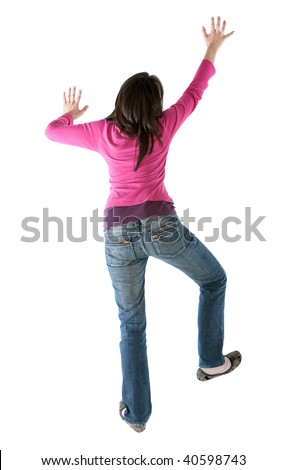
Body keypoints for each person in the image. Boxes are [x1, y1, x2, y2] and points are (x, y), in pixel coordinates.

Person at [45, 17, 241, 433]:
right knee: (215, 280)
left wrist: (67, 116)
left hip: (116, 235)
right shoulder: (164, 126)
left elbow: (51, 133)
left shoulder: (101, 132)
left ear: (122, 102)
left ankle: (137, 415)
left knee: (131, 325)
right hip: (160, 228)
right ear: (154, 107)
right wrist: (211, 50)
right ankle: (210, 362)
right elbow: (194, 92)